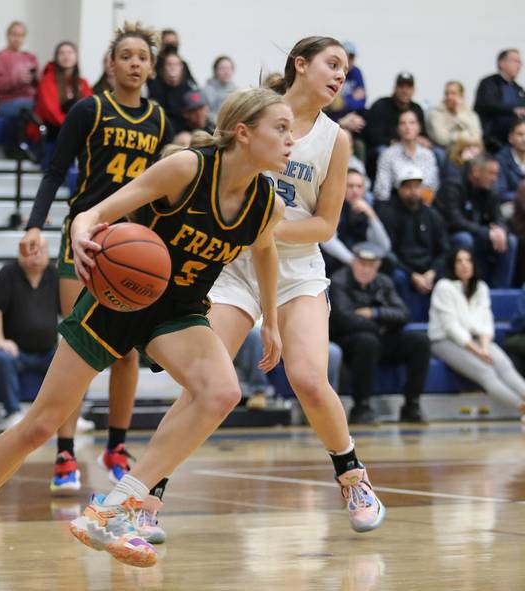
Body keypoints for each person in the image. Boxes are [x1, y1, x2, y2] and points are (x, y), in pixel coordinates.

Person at [0, 84, 287, 576]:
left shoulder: (266, 203)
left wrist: (272, 321)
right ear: (243, 132)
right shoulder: (188, 168)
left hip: (177, 310)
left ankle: (116, 505)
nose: (290, 138)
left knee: (220, 392)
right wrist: (84, 234)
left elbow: (265, 251)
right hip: (117, 299)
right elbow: (97, 211)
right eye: (280, 128)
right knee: (40, 426)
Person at [206, 36, 386, 533]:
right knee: (208, 383)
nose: (339, 76)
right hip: (237, 267)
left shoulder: (336, 138)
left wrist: (266, 227)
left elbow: (326, 226)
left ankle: (353, 477)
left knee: (308, 377)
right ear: (300, 65)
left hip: (297, 269)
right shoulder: (254, 110)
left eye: (345, 71)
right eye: (332, 64)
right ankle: (146, 497)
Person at [19, 23, 171, 495]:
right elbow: (54, 170)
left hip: (132, 241)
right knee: (78, 348)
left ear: (150, 65)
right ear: (110, 64)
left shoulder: (159, 120)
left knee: (126, 352)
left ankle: (117, 446)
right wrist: (33, 225)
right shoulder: (89, 109)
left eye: (142, 57)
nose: (134, 64)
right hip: (85, 237)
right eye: (126, 56)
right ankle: (64, 451)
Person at [330, 242, 430, 424]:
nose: (365, 270)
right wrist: (381, 324)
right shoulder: (339, 282)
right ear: (353, 262)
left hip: (380, 338)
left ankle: (411, 405)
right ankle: (361, 407)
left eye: (371, 265)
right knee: (368, 341)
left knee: (420, 341)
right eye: (361, 264)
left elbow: (403, 314)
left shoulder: (384, 282)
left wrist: (374, 313)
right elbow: (345, 320)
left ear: (377, 266)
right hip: (349, 342)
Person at [429, 248, 525, 414]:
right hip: (445, 340)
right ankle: (521, 407)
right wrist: (478, 352)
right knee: (485, 371)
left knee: (504, 365)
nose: (464, 265)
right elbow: (451, 327)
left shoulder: (481, 288)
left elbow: (486, 322)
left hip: (478, 340)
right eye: (459, 261)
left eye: (468, 260)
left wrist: (485, 348)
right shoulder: (443, 287)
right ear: (453, 265)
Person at [0, 234, 59, 427]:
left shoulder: (55, 275)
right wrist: (0, 341)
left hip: (48, 351)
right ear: (20, 253)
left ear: (48, 253)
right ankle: (13, 413)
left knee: (77, 358)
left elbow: (69, 310)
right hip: (17, 352)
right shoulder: (8, 273)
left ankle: (71, 416)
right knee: (2, 357)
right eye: (30, 251)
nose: (35, 256)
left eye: (40, 251)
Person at [434, 153, 516, 288]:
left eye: (496, 174)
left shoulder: (490, 189)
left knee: (510, 241)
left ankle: (500, 291)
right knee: (464, 239)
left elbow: (499, 217)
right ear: (476, 171)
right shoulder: (453, 185)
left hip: (478, 234)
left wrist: (501, 230)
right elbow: (454, 221)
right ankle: (464, 288)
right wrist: (485, 232)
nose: (495, 178)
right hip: (450, 235)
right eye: (491, 173)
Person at [378, 164, 450, 302]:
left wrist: (433, 271)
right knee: (397, 275)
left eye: (417, 186)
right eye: (408, 186)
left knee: (448, 274)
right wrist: (412, 274)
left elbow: (444, 249)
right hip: (404, 269)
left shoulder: (432, 215)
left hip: (429, 269)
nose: (413, 191)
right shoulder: (389, 215)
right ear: (399, 189)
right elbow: (389, 252)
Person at [321, 168, 390, 272]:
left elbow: (384, 246)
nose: (355, 190)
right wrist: (353, 261)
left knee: (390, 262)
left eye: (359, 186)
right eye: (350, 186)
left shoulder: (371, 208)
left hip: (364, 258)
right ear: (342, 187)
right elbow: (327, 241)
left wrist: (372, 216)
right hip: (340, 261)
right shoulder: (334, 206)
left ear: (364, 190)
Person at [373, 109, 439, 201]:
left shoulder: (427, 155)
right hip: (395, 204)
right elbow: (382, 191)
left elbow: (431, 187)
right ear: (398, 128)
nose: (407, 127)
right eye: (403, 123)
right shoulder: (387, 155)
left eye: (412, 123)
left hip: (422, 205)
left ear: (419, 127)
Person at [32, 41, 91, 140]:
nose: (66, 56)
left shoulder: (82, 82)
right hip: (53, 128)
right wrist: (73, 126)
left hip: (75, 128)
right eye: (62, 53)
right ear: (56, 58)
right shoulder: (47, 80)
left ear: (76, 57)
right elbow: (51, 113)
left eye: (70, 52)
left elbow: (89, 107)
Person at [474, 49, 525, 152]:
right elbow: (487, 105)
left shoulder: (518, 89)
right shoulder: (488, 83)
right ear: (501, 63)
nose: (519, 66)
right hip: (493, 137)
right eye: (515, 61)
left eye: (520, 62)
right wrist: (513, 110)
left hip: (516, 137)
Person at [365, 72, 429, 153]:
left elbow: (423, 134)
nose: (405, 90)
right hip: (385, 147)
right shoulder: (380, 105)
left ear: (413, 90)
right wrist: (396, 143)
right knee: (384, 151)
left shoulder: (417, 108)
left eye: (408, 87)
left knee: (434, 152)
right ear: (395, 88)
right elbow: (373, 136)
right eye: (401, 86)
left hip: (411, 147)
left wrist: (424, 141)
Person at [0, 21, 38, 120]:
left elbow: (38, 84)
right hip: (8, 101)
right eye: (14, 34)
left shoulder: (30, 57)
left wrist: (37, 79)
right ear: (8, 36)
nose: (17, 39)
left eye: (21, 35)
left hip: (31, 100)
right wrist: (18, 80)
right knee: (30, 108)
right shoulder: (0, 58)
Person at [325, 40, 366, 139]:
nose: (349, 60)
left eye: (352, 57)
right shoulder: (331, 71)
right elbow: (330, 103)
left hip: (351, 115)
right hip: (332, 115)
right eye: (346, 56)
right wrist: (351, 98)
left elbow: (362, 101)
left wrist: (342, 101)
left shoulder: (356, 72)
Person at [149, 52, 197, 135]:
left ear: (182, 67)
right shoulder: (155, 87)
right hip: (161, 129)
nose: (173, 67)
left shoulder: (189, 89)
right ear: (164, 67)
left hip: (184, 131)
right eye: (169, 64)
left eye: (176, 64)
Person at [426, 81, 483, 151]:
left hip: (469, 150)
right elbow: (442, 139)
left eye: (453, 93)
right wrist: (466, 136)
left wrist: (459, 114)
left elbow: (477, 137)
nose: (449, 97)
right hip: (447, 150)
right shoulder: (436, 113)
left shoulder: (470, 113)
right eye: (446, 93)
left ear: (462, 96)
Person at [495, 120, 525, 202]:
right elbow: (500, 192)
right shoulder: (501, 159)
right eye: (520, 134)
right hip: (511, 204)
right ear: (510, 138)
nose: (524, 139)